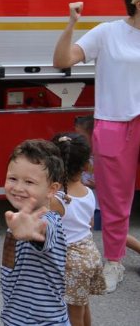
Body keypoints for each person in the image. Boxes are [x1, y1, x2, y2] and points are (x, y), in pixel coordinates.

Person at [53, 0, 140, 293]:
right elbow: (62, 60)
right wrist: (71, 24)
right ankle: (114, 262)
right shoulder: (108, 32)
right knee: (116, 201)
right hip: (116, 122)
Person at [1, 139, 68, 326]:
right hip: (16, 317)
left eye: (29, 182)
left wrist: (33, 232)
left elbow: (45, 234)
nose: (18, 187)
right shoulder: (19, 220)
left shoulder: (47, 222)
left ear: (52, 189)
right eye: (13, 179)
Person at [51, 132, 105, 326]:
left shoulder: (57, 200)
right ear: (85, 165)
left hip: (72, 262)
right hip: (89, 255)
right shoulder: (88, 192)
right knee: (82, 306)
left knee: (73, 315)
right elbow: (89, 224)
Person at [74, 115, 101, 231]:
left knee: (100, 232)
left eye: (82, 136)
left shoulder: (101, 155)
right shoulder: (82, 153)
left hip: (99, 206)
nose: (78, 140)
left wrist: (98, 185)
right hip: (85, 203)